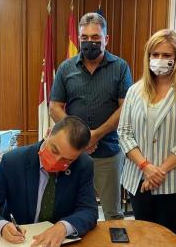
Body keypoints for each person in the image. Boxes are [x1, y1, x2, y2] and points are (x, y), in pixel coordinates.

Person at [117, 29, 176, 236]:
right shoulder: (135, 90)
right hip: (139, 178)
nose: (159, 59)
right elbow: (124, 132)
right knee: (144, 237)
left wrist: (159, 172)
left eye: (166, 55)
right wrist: (146, 167)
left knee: (166, 239)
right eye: (155, 54)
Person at [49, 12, 133, 220]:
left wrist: (96, 135)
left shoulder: (120, 68)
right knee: (69, 211)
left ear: (106, 39)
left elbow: (126, 109)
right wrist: (83, 136)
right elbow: (54, 107)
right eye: (84, 38)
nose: (90, 42)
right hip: (72, 153)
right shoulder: (66, 68)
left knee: (113, 214)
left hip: (108, 153)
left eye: (95, 38)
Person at [0, 116, 98, 247]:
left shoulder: (83, 165)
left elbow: (89, 210)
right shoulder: (13, 162)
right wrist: (2, 227)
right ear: (48, 133)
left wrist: (63, 227)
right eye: (54, 150)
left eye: (66, 160)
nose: (56, 161)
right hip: (20, 245)